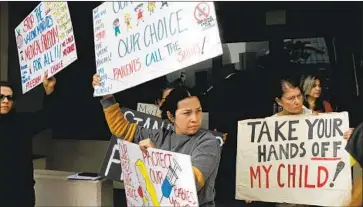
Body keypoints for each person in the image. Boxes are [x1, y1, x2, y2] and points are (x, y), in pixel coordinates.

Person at [92, 75, 221, 207]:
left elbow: (190, 184)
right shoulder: (160, 135)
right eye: (187, 113)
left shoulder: (207, 142)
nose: (195, 118)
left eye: (198, 111)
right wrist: (106, 95)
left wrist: (155, 156)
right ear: (171, 116)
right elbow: (121, 128)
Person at [248, 77, 353, 207]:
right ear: (279, 101)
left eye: (299, 96)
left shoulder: (318, 120)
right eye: (291, 98)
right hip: (286, 198)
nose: (297, 102)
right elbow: (260, 161)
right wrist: (251, 188)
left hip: (317, 194)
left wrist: (350, 136)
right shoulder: (269, 127)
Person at [1, 73, 57, 207]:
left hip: (20, 194)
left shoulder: (21, 122)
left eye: (9, 97)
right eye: (1, 97)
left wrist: (49, 92)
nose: (5, 101)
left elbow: (48, 117)